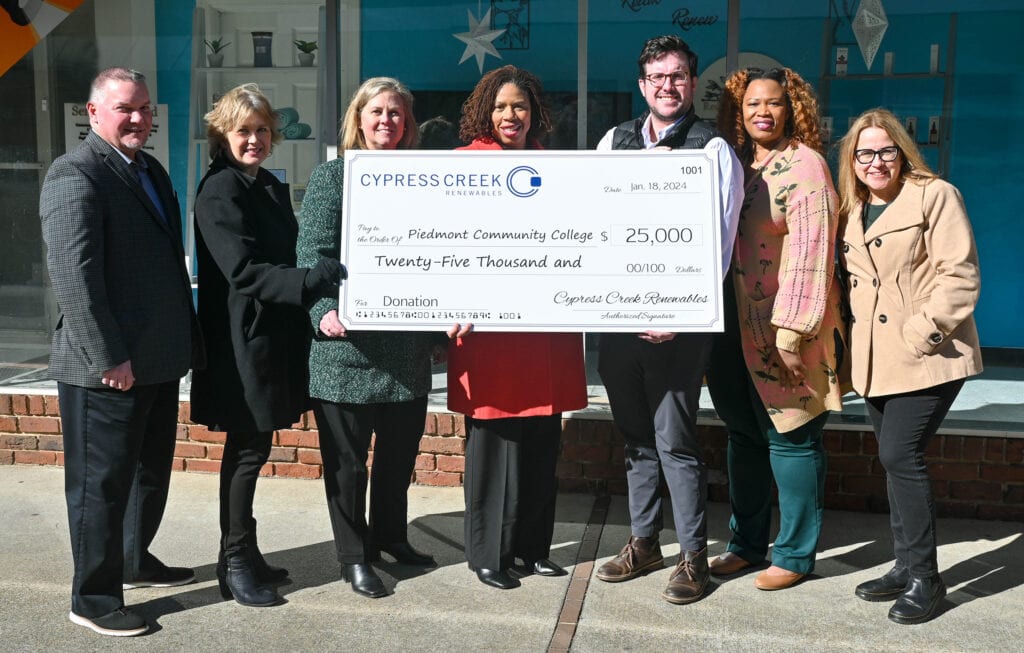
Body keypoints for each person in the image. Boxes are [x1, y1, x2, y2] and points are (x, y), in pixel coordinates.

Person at [39, 67, 204, 637]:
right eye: (124, 109)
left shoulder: (148, 169)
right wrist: (109, 356)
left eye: (144, 108)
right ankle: (93, 598)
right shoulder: (75, 174)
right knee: (101, 486)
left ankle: (133, 560)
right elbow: (74, 277)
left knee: (148, 473)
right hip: (104, 368)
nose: (137, 118)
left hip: (154, 360)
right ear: (92, 113)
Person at [593, 35, 742, 605]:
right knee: (635, 440)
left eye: (677, 76)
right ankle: (643, 542)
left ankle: (692, 558)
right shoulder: (615, 141)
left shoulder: (712, 148)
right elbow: (596, 223)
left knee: (675, 441)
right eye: (657, 77)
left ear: (691, 82)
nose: (667, 86)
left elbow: (721, 244)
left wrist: (681, 312)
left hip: (679, 328)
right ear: (642, 85)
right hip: (620, 321)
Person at [190, 84, 344, 607]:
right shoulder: (220, 190)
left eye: (261, 130)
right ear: (222, 135)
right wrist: (309, 282)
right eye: (242, 131)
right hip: (240, 344)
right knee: (247, 452)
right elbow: (244, 271)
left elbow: (291, 247)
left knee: (253, 447)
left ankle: (244, 551)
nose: (253, 139)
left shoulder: (267, 187)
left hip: (270, 338)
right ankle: (234, 562)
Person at [296, 77, 445, 599]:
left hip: (406, 347)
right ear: (358, 119)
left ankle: (390, 538)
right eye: (376, 111)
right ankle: (353, 557)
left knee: (398, 461)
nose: (387, 121)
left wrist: (439, 322)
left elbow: (435, 254)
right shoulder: (333, 177)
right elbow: (311, 252)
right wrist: (323, 310)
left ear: (409, 124)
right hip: (346, 348)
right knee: (348, 465)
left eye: (397, 113)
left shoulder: (425, 181)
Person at [837, 108, 982, 624]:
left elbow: (960, 274)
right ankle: (903, 565)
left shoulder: (934, 195)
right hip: (874, 360)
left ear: (902, 151)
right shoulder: (852, 209)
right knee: (892, 459)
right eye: (865, 153)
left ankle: (926, 578)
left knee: (901, 456)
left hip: (928, 353)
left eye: (886, 150)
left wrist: (921, 332)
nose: (876, 162)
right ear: (851, 160)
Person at [705, 66, 846, 592]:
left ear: (793, 109)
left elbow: (813, 254)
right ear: (737, 113)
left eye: (774, 103)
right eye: (751, 104)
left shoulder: (806, 168)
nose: (763, 112)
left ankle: (794, 553)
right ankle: (745, 544)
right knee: (744, 436)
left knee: (792, 438)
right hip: (730, 330)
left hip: (788, 331)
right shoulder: (734, 165)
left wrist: (792, 334)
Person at [449, 65, 588, 590]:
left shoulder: (555, 166)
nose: (511, 116)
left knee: (540, 440)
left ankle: (532, 549)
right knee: (495, 444)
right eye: (502, 106)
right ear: (486, 110)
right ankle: (489, 553)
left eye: (521, 106)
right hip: (490, 335)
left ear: (535, 113)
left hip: (545, 331)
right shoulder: (461, 167)